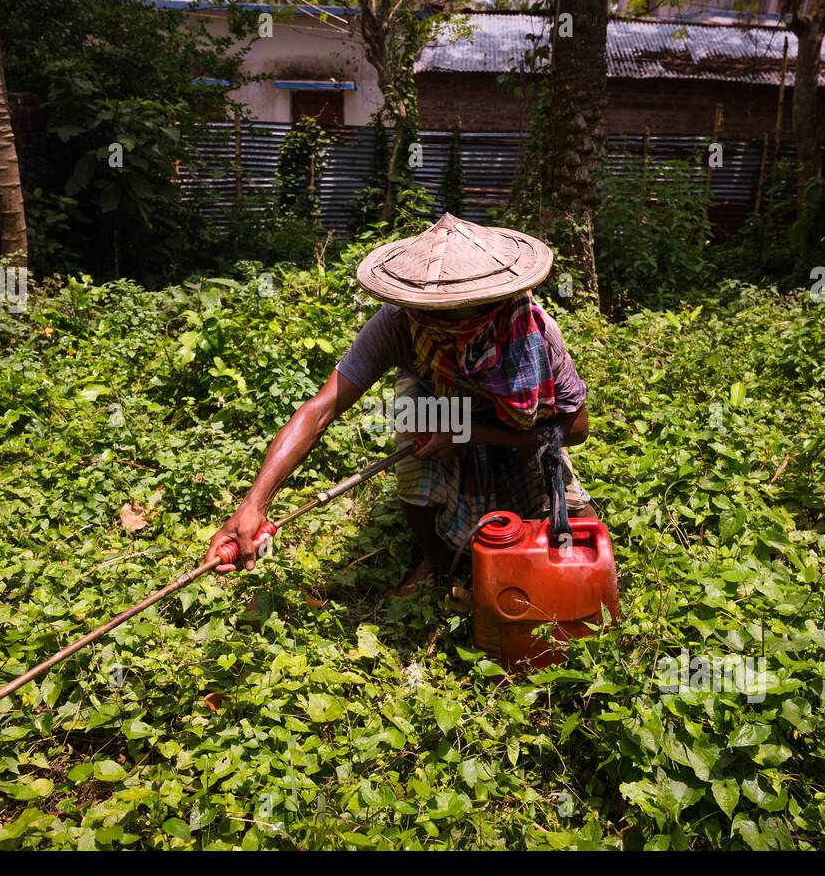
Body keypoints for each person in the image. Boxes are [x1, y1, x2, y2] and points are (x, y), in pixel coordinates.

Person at [204, 212, 595, 596]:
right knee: (414, 430)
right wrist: (253, 503)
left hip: (515, 422)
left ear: (490, 303)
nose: (435, 321)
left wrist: (468, 434)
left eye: (451, 311)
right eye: (427, 311)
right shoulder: (399, 324)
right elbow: (321, 409)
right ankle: (436, 560)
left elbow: (574, 430)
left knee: (567, 512)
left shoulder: (533, 335)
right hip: (437, 401)